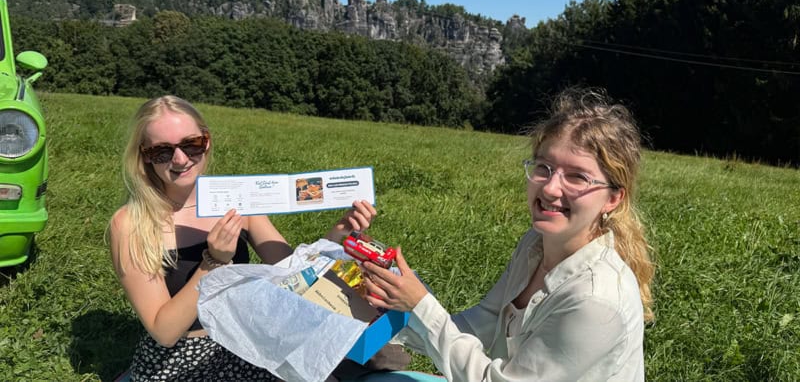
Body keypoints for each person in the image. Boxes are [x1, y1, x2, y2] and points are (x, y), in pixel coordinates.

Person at [363, 87, 655, 381]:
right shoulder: (535, 245)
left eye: (577, 177)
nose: (551, 188)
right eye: (544, 167)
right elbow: (484, 322)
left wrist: (420, 304)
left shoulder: (595, 300)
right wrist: (394, 315)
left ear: (613, 198)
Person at [108, 95, 377, 381]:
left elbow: (292, 274)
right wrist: (212, 263)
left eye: (191, 144)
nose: (181, 159)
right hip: (179, 360)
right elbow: (164, 331)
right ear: (144, 155)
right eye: (162, 151)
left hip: (246, 340)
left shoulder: (235, 200)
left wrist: (338, 233)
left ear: (207, 141)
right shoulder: (130, 224)